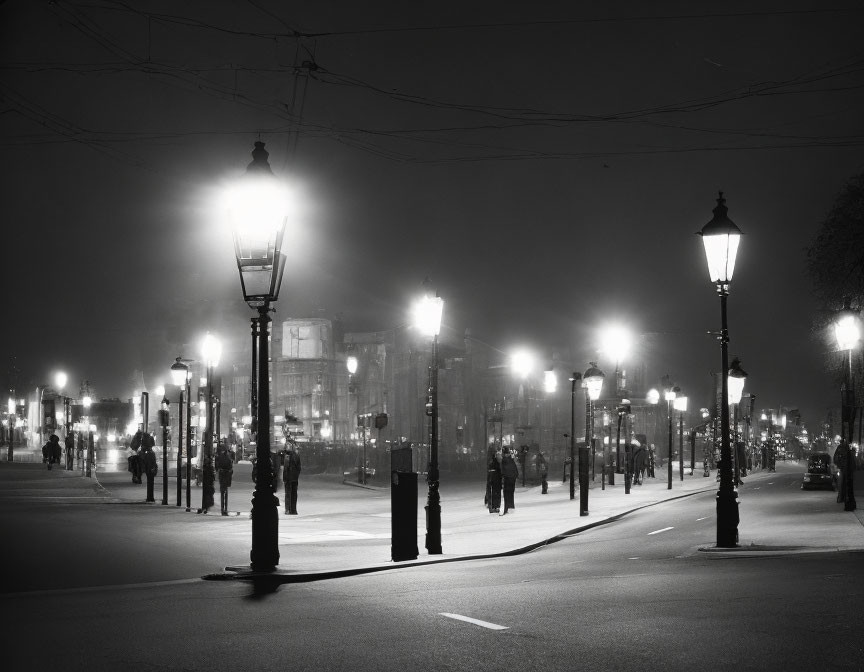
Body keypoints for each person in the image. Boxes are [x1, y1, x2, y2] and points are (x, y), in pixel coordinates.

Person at [215, 444, 233, 516]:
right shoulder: (228, 457)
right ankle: (225, 508)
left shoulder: (219, 457)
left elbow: (217, 467)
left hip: (222, 475)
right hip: (227, 475)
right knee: (225, 492)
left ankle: (223, 508)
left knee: (222, 492)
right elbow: (231, 467)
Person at [282, 447, 301, 515]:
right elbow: (299, 468)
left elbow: (286, 468)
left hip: (288, 478)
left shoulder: (287, 456)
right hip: (294, 478)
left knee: (288, 494)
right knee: (294, 494)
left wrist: (285, 478)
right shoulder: (296, 455)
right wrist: (296, 475)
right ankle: (294, 510)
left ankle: (288, 509)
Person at [500, 447, 519, 515]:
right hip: (511, 478)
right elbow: (515, 469)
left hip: (508, 479)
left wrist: (503, 477)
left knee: (507, 494)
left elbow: (503, 470)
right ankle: (511, 506)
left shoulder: (504, 461)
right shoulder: (511, 460)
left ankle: (507, 508)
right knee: (510, 493)